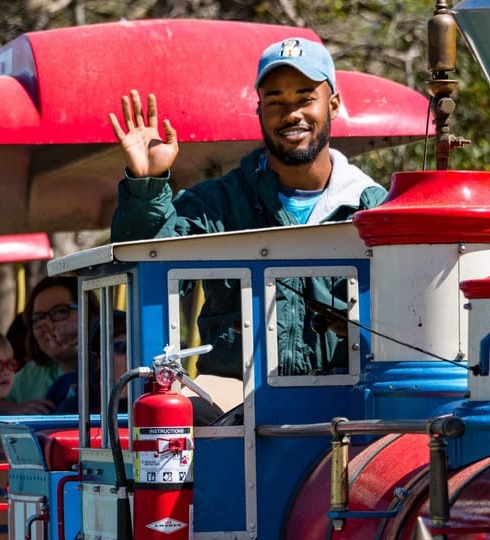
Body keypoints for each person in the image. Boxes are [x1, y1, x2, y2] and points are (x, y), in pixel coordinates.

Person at [109, 37, 384, 378]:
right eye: (275, 101)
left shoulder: (373, 209)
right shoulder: (216, 204)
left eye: (305, 98)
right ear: (258, 110)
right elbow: (146, 268)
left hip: (352, 411)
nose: (291, 113)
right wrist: (147, 184)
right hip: (235, 412)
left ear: (334, 104)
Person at [0, 276, 99, 414]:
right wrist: (14, 408)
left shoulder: (113, 366)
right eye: (38, 318)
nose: (47, 325)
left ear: (89, 311)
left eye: (60, 312)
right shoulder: (31, 374)